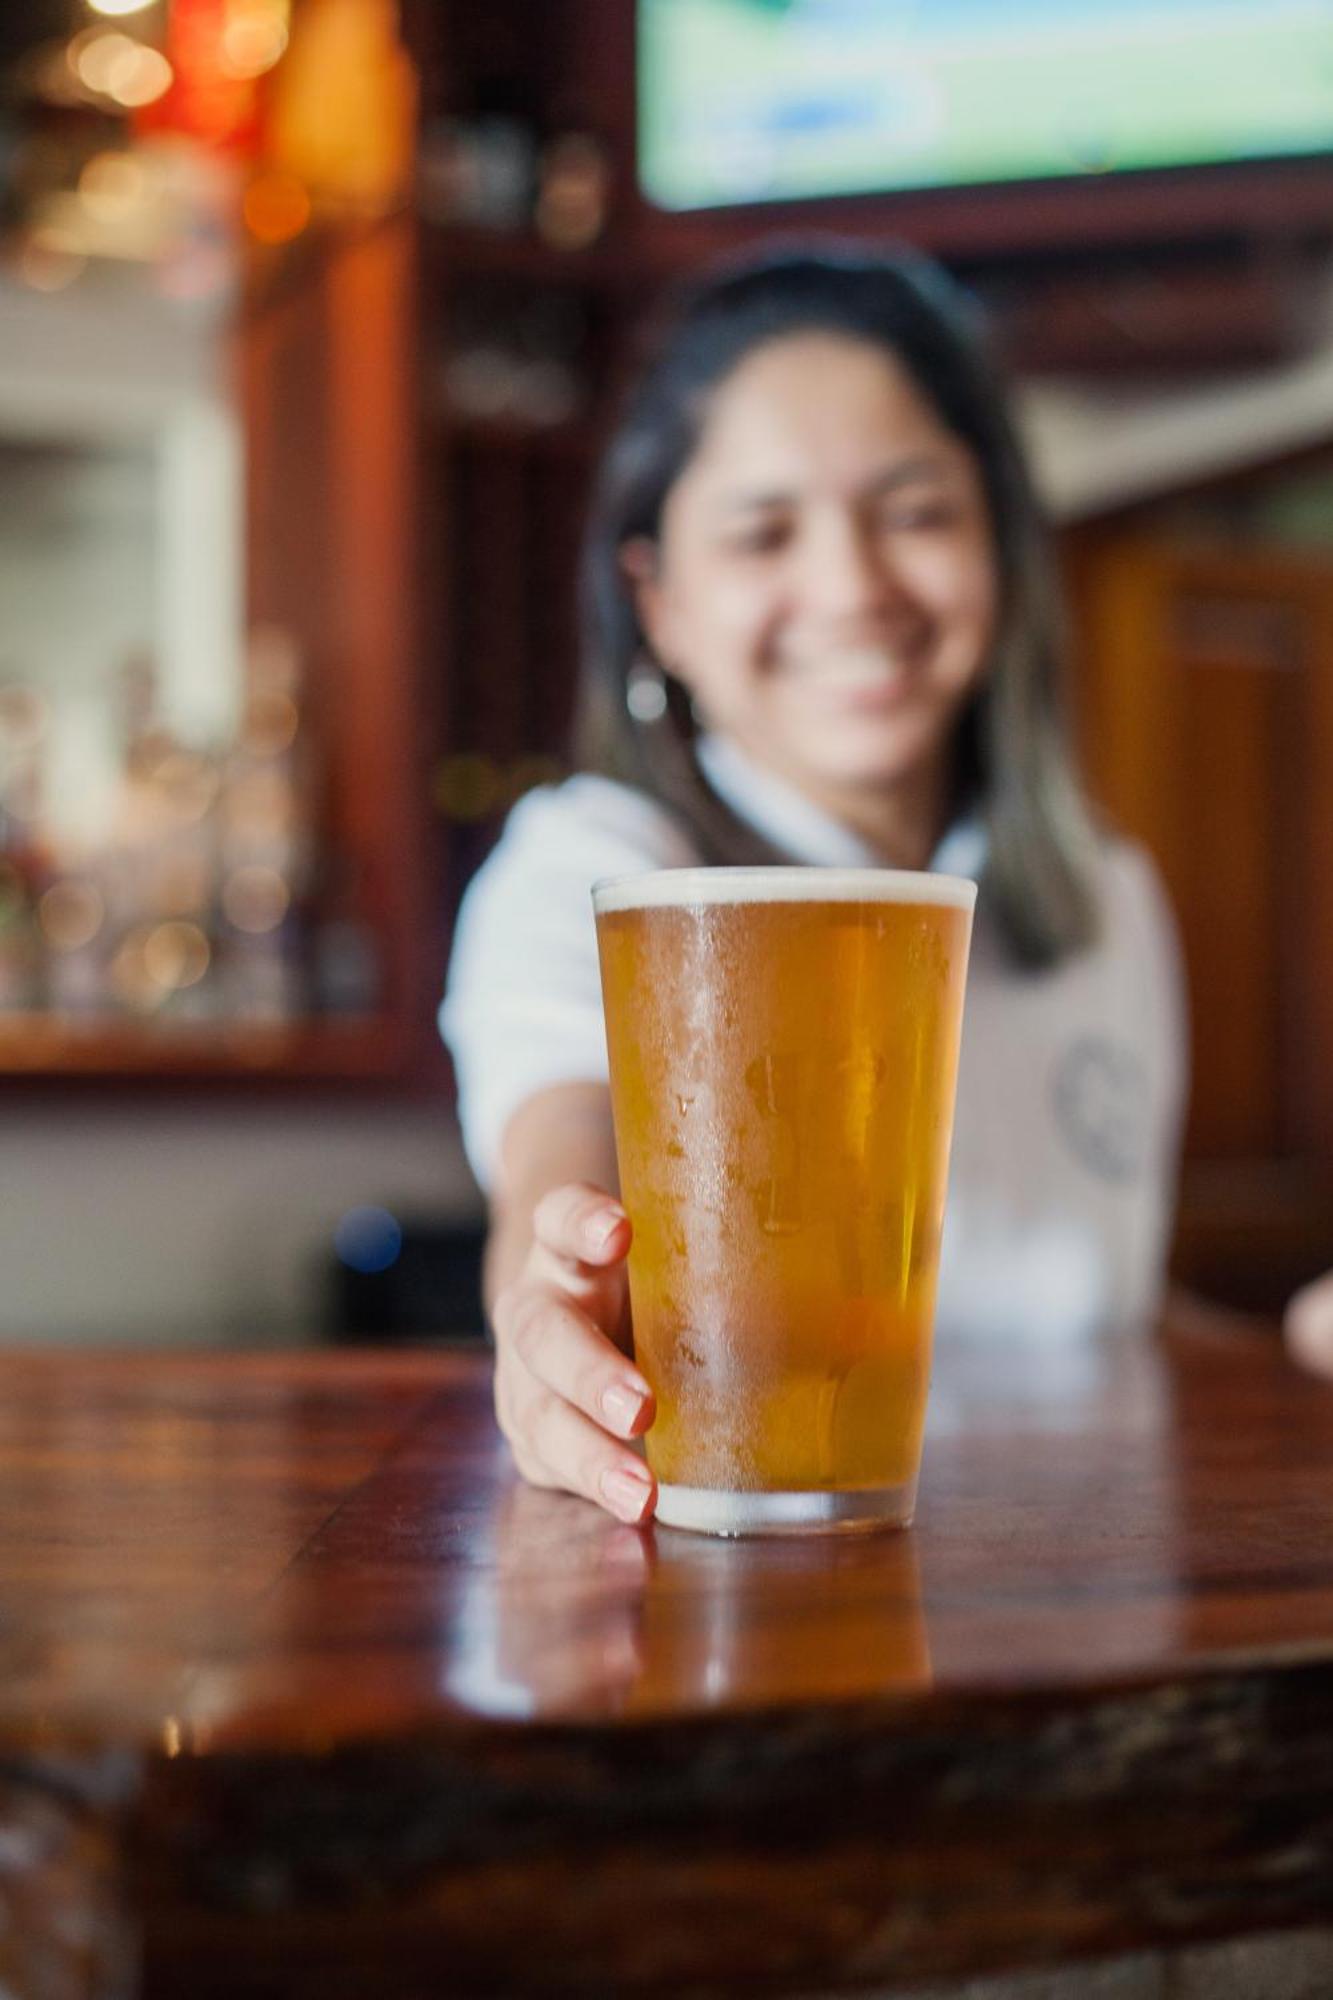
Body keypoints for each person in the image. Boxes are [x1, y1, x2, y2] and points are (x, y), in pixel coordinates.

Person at [441, 241, 1322, 1528]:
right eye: (763, 530)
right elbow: (559, 1168)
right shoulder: (598, 868)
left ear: (1004, 556)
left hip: (1066, 1603)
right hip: (758, 1596)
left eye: (915, 511)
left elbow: (1075, 1311)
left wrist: (1287, 1338)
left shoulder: (1102, 897)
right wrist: (551, 1297)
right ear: (661, 603)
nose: (851, 585)